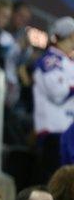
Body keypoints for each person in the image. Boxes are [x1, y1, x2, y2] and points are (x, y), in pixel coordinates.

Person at [32, 17, 74, 181]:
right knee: (53, 183)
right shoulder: (49, 60)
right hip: (54, 132)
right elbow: (57, 93)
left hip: (68, 132)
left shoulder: (68, 63)